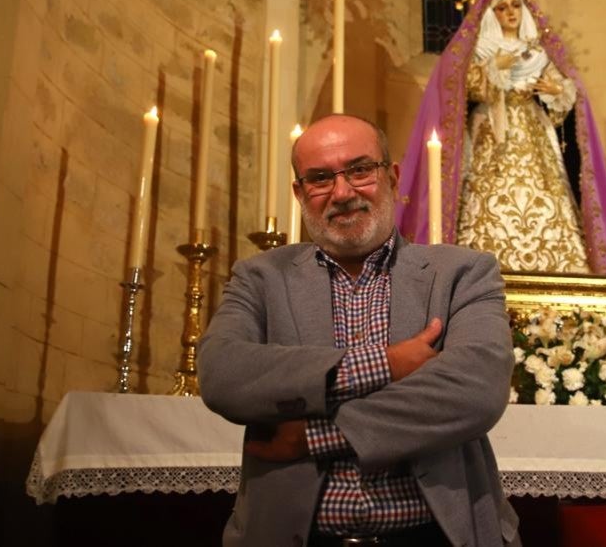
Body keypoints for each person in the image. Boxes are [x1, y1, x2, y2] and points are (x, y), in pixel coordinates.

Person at [199, 114, 521, 547]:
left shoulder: (463, 273)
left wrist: (316, 436)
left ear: (391, 176)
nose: (343, 192)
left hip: (435, 534)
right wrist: (389, 363)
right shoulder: (259, 278)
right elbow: (223, 375)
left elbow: (476, 389)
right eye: (319, 178)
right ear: (299, 193)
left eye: (359, 169)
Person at [396, 0, 606, 275]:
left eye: (516, 6)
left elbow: (563, 92)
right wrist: (492, 71)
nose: (511, 12)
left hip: (533, 132)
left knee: (548, 199)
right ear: (491, 15)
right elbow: (462, 88)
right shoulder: (482, 51)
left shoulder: (535, 52)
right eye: (503, 8)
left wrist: (557, 90)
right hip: (490, 134)